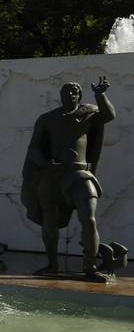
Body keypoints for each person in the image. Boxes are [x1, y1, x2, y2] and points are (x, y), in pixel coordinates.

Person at [22, 77, 117, 282]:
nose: (70, 94)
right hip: (52, 175)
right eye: (66, 92)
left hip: (80, 174)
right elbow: (34, 148)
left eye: (74, 92)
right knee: (50, 221)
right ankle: (52, 264)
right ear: (61, 96)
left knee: (89, 219)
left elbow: (109, 115)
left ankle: (90, 267)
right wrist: (46, 164)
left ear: (79, 95)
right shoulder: (47, 119)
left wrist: (100, 95)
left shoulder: (89, 114)